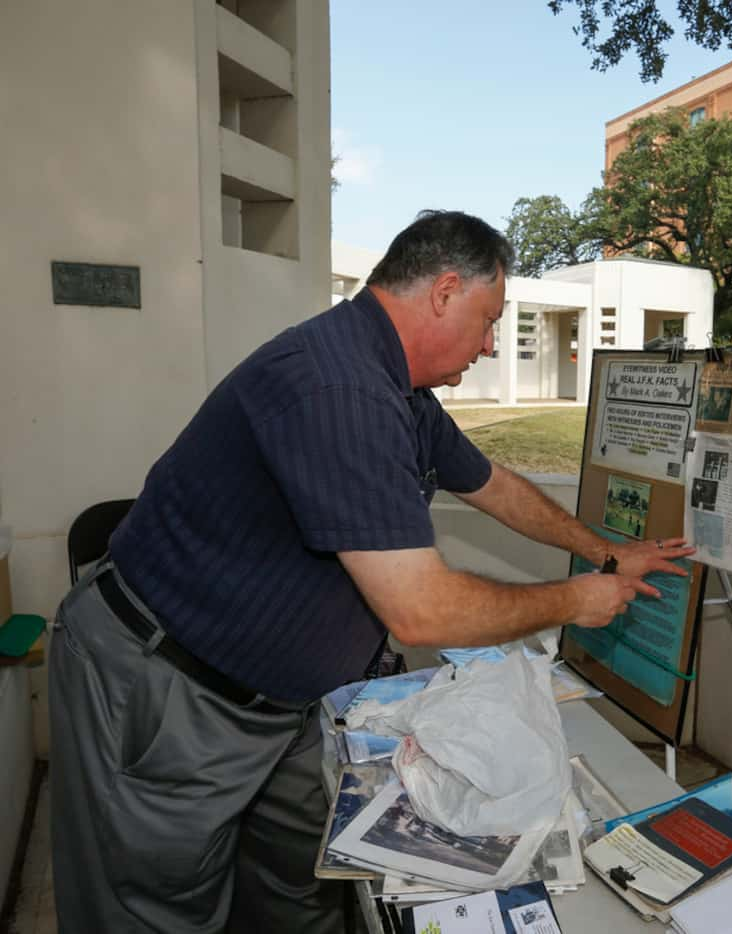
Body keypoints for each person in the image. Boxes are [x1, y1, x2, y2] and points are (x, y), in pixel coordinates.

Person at [48, 211, 693, 934]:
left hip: (285, 699)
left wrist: (605, 552)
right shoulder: (337, 389)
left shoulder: (402, 389)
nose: (488, 345)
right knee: (154, 907)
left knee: (299, 888)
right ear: (445, 292)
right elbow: (423, 613)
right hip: (169, 688)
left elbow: (492, 485)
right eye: (488, 321)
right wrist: (577, 598)